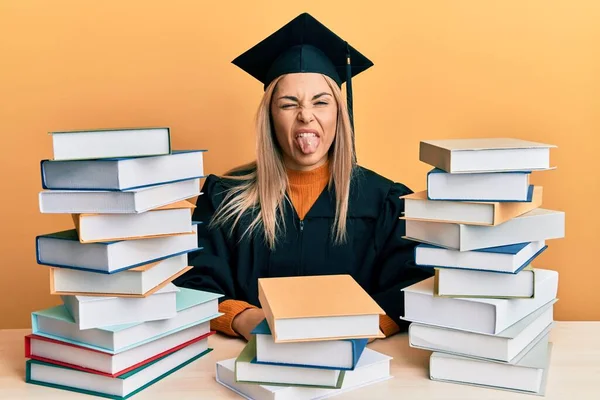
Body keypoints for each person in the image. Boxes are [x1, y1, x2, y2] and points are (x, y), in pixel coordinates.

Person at [173, 13, 433, 341]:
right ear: (269, 116)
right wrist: (245, 319)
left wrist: (361, 330)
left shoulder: (387, 201)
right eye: (288, 104)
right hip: (248, 359)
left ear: (339, 114)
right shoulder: (223, 197)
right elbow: (196, 284)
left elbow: (410, 286)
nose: (305, 115)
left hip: (360, 364)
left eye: (320, 102)